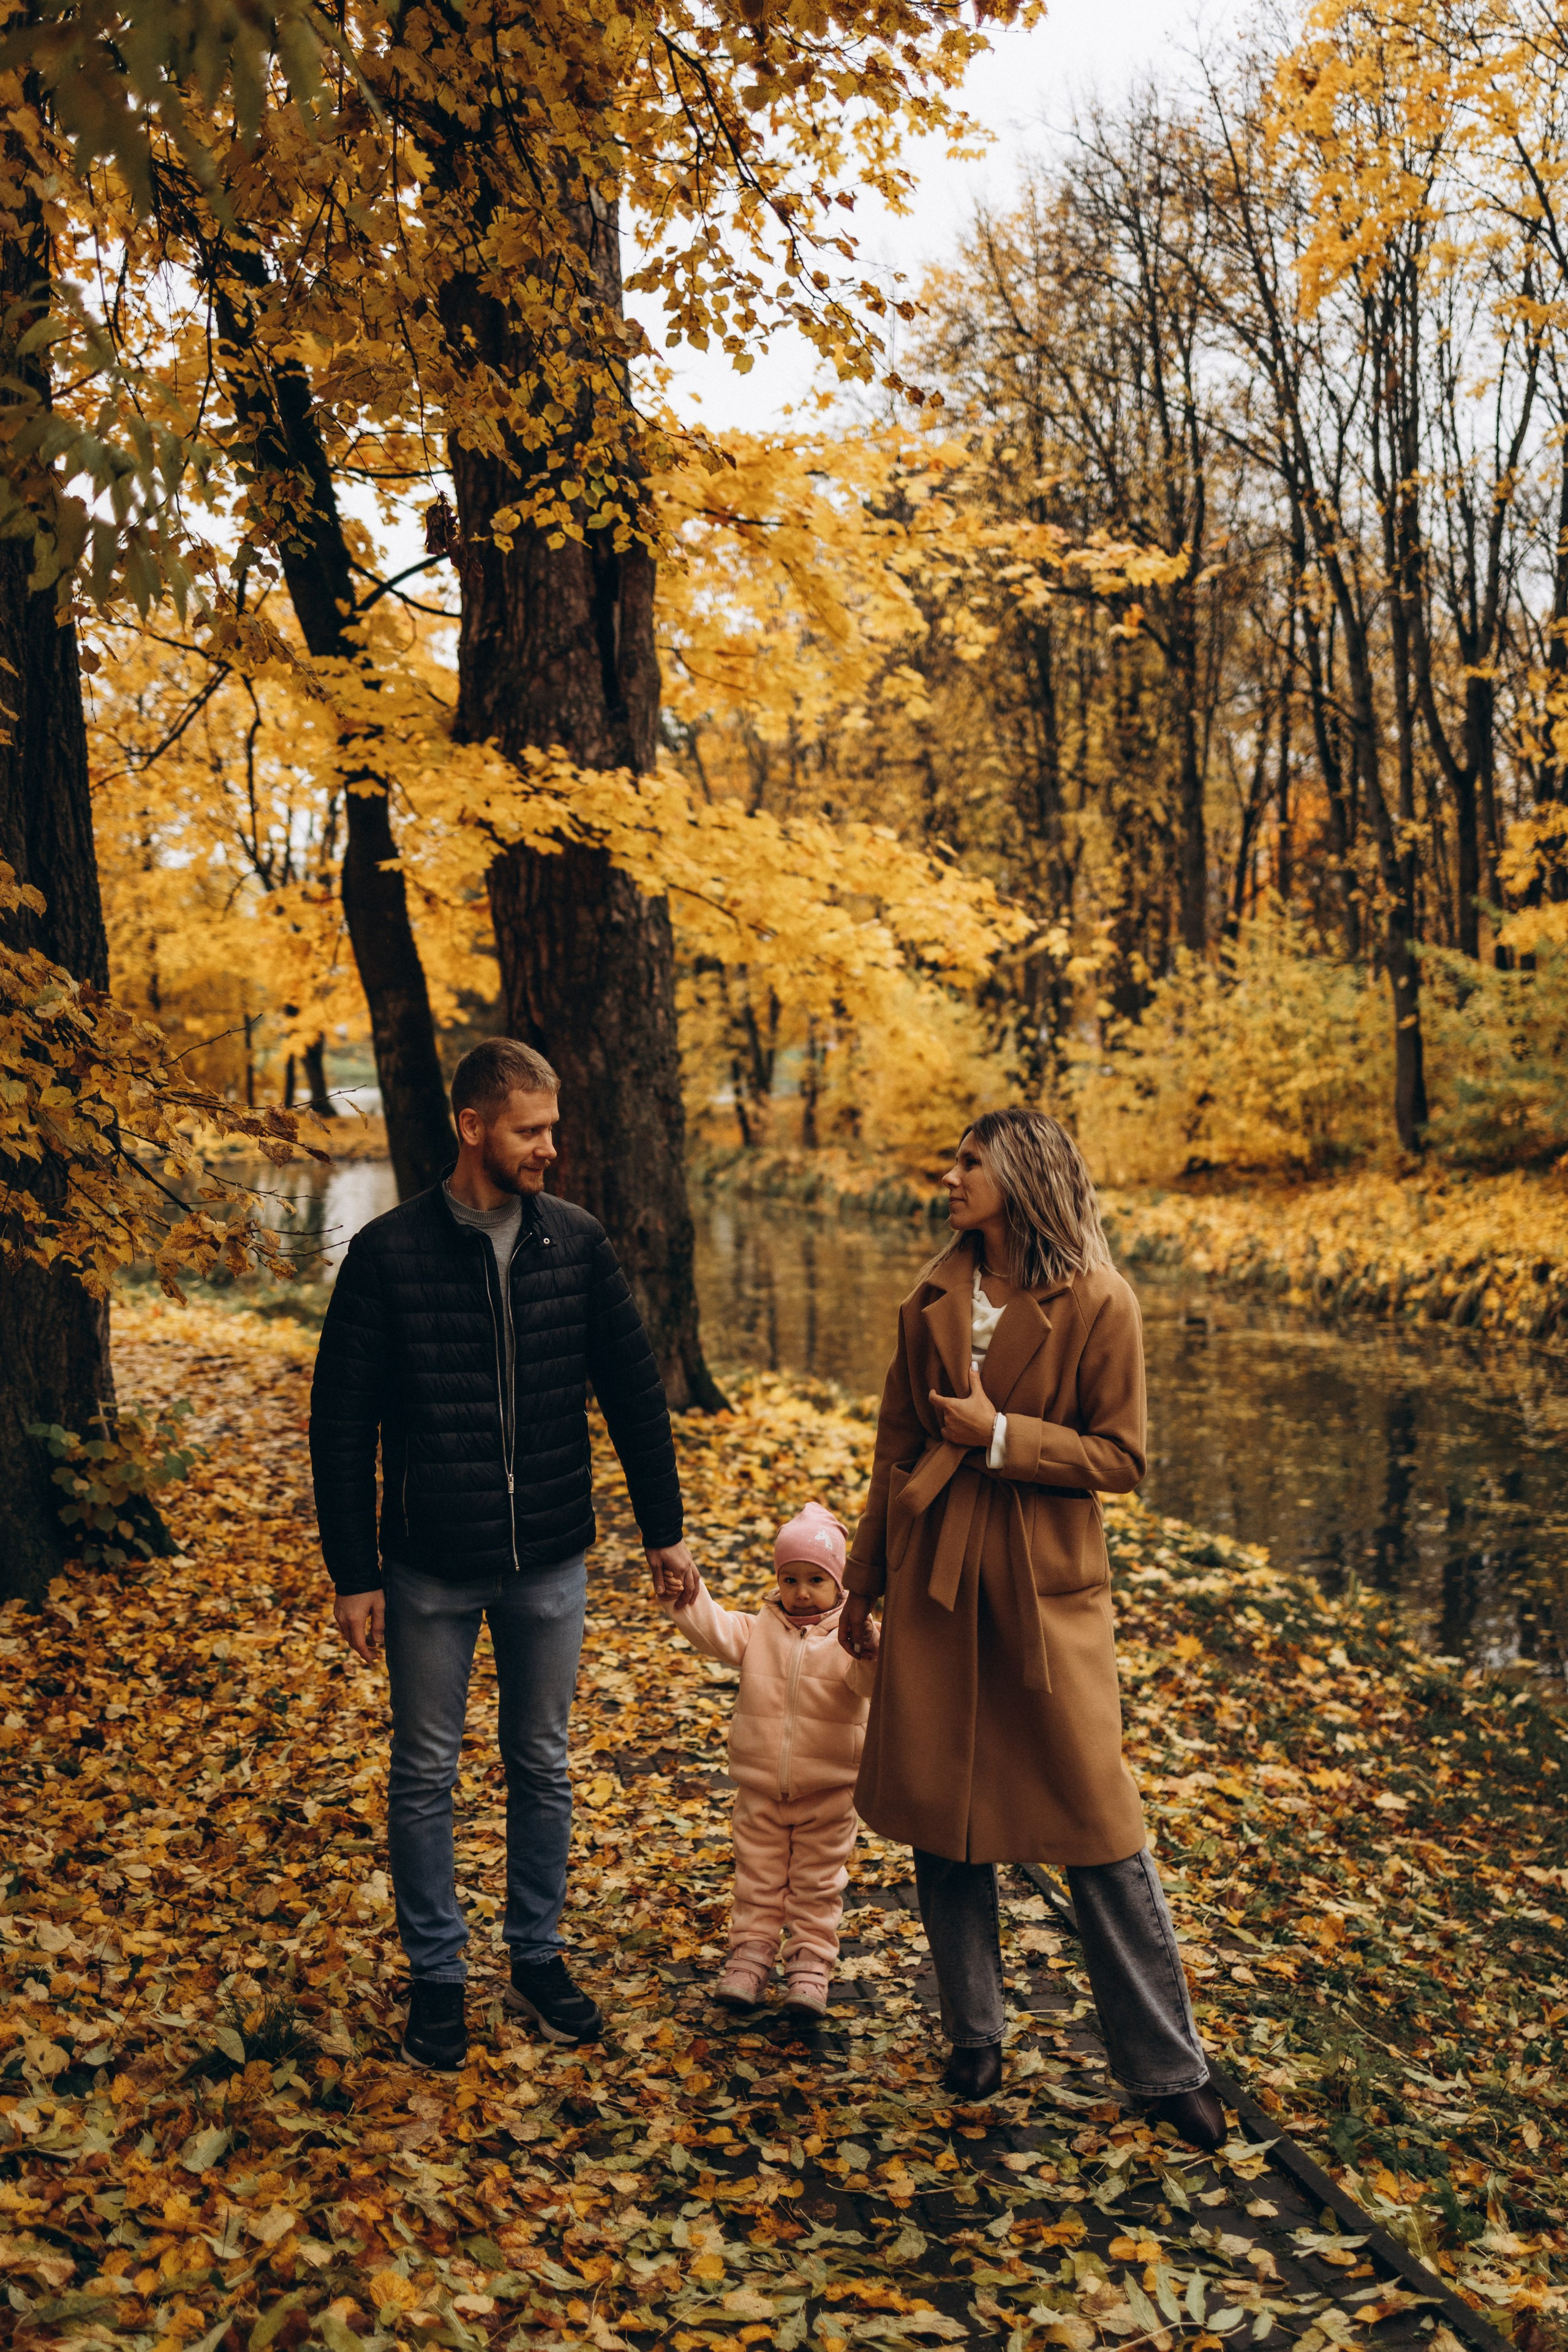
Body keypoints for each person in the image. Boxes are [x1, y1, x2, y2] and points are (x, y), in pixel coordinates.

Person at [838, 1107, 1224, 2152]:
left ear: (1023, 1177)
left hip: (1042, 1588)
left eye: (970, 1162)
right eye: (955, 1160)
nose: (951, 1176)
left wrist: (1002, 1436)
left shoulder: (1101, 1301)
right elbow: (893, 1451)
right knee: (941, 1812)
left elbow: (1123, 1459)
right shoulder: (930, 1296)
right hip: (934, 1579)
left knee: (1099, 1825)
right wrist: (863, 1583)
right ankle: (974, 2034)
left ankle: (1166, 2066)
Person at [309, 1037, 698, 2072]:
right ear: (473, 1126)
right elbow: (341, 1426)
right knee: (423, 1772)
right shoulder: (389, 1255)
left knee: (543, 1764)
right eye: (531, 1130)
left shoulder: (577, 1242)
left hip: (551, 1562)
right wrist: (353, 1572)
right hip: (429, 1566)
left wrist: (664, 1529)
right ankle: (438, 1978)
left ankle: (537, 1957)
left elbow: (633, 1393)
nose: (549, 1149)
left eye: (553, 1129)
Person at [663, 1503, 879, 2018]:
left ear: (840, 1583)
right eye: (790, 1579)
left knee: (817, 1886)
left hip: (829, 1791)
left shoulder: (853, 1636)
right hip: (760, 1788)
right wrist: (682, 1596)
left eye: (816, 1580)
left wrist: (871, 1651)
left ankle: (810, 1969)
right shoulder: (759, 1630)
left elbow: (870, 1686)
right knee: (756, 1881)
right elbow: (712, 1627)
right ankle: (749, 1960)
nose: (801, 1592)